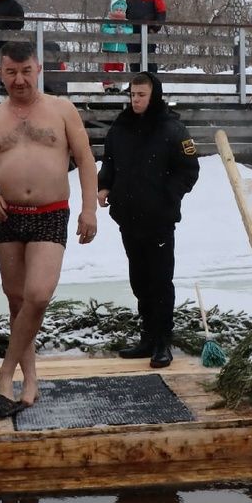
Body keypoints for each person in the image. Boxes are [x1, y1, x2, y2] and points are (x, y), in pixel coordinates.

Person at [0, 40, 98, 416]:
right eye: (11, 72)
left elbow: (86, 160)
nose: (19, 79)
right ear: (1, 74)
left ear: (39, 69)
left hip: (50, 212)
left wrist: (89, 209)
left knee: (38, 295)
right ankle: (31, 380)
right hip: (8, 216)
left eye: (26, 71)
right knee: (17, 302)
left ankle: (5, 375)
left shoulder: (62, 110)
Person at [97, 72, 199, 367]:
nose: (136, 100)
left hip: (159, 218)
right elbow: (109, 161)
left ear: (154, 95)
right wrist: (104, 186)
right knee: (139, 279)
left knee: (160, 280)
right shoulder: (121, 126)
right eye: (132, 95)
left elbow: (189, 170)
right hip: (128, 216)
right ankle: (146, 337)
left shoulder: (172, 128)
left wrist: (169, 196)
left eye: (141, 95)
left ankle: (162, 341)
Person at [124, 0, 167, 71]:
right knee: (134, 62)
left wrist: (155, 28)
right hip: (131, 33)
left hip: (148, 33)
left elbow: (161, 12)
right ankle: (134, 85)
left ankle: (153, 85)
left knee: (150, 62)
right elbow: (123, 12)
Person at [100, 0, 132, 91]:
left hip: (121, 49)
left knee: (119, 68)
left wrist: (123, 30)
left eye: (121, 10)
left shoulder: (126, 22)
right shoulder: (108, 20)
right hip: (108, 49)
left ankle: (117, 87)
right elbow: (104, 29)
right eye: (117, 9)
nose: (119, 11)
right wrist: (113, 30)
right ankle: (108, 86)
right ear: (112, 9)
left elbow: (131, 29)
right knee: (108, 68)